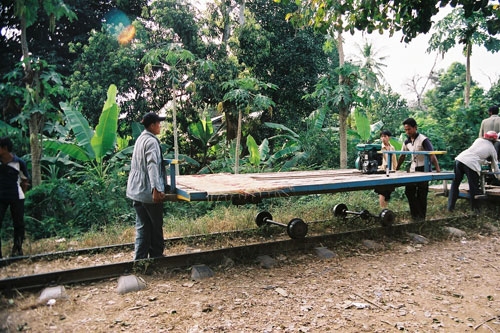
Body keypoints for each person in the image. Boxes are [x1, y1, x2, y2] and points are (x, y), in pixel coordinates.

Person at [126, 112, 167, 260]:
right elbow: (152, 165)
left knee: (143, 227)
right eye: (158, 123)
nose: (160, 126)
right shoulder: (151, 141)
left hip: (136, 190)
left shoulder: (141, 139)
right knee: (155, 226)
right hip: (147, 191)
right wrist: (156, 189)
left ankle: (140, 259)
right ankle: (156, 256)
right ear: (152, 125)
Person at [396, 118, 441, 220]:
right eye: (406, 130)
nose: (407, 132)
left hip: (423, 168)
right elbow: (402, 156)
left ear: (415, 128)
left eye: (409, 129)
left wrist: (438, 170)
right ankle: (415, 215)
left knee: (422, 193)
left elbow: (432, 155)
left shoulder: (423, 139)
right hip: (413, 169)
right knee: (409, 191)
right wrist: (396, 168)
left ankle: (421, 217)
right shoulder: (407, 141)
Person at [448, 131, 500, 212]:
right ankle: (475, 211)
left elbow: (476, 154)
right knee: (474, 188)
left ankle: (450, 208)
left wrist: (485, 162)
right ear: (494, 141)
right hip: (470, 163)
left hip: (459, 159)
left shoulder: (478, 140)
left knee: (455, 184)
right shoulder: (492, 149)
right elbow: (495, 167)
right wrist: (498, 178)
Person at [0, 137, 29, 258]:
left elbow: (25, 180)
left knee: (18, 224)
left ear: (5, 148)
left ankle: (17, 249)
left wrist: (23, 193)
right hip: (0, 197)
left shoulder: (19, 162)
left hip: (16, 196)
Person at [375, 130, 397, 208]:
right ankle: (383, 209)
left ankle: (386, 208)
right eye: (382, 137)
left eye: (385, 136)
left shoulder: (392, 147)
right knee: (382, 191)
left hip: (391, 170)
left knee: (388, 191)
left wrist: (395, 169)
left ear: (389, 137)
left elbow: (394, 159)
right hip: (382, 170)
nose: (383, 138)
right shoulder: (379, 148)